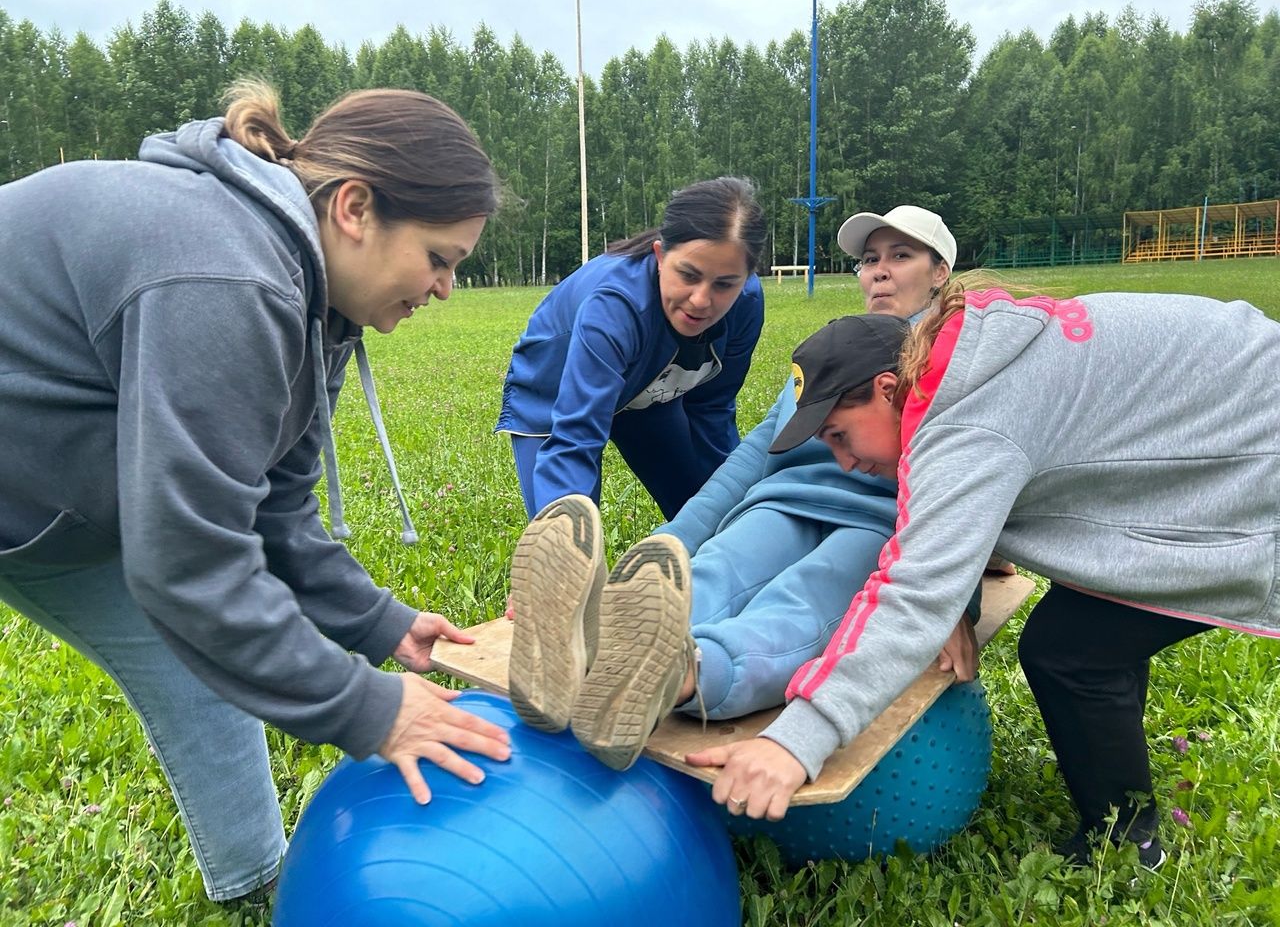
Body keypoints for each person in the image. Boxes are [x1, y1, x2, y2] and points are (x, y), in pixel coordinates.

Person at [0, 80, 512, 903]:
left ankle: (257, 889)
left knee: (205, 656)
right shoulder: (227, 278)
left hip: (47, 491)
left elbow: (274, 506)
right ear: (353, 208)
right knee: (205, 607)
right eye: (439, 257)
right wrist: (373, 710)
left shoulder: (316, 299)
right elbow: (191, 563)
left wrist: (384, 626)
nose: (446, 288)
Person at [694, 286, 1280, 867]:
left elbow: (915, 594)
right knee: (1094, 628)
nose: (844, 462)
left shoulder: (968, 423)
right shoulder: (966, 360)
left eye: (841, 437)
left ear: (888, 389)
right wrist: (956, 591)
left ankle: (1128, 844)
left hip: (1255, 443)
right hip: (1238, 393)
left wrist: (797, 739)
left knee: (1072, 650)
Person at [505, 206, 980, 763]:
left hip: (886, 529)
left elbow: (979, 498)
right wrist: (674, 545)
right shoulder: (831, 349)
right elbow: (752, 456)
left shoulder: (967, 369)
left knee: (803, 604)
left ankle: (681, 676)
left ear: (941, 270)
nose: (879, 271)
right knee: (715, 570)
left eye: (900, 256)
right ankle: (590, 649)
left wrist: (954, 602)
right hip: (780, 503)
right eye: (869, 259)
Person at [496, 177, 767, 523]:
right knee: (567, 531)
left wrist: (730, 509)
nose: (701, 300)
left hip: (648, 395)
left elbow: (712, 408)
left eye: (725, 284)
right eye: (687, 274)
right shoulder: (616, 305)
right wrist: (568, 542)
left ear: (746, 277)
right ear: (659, 255)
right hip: (552, 395)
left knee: (708, 513)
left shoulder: (745, 303)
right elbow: (575, 438)